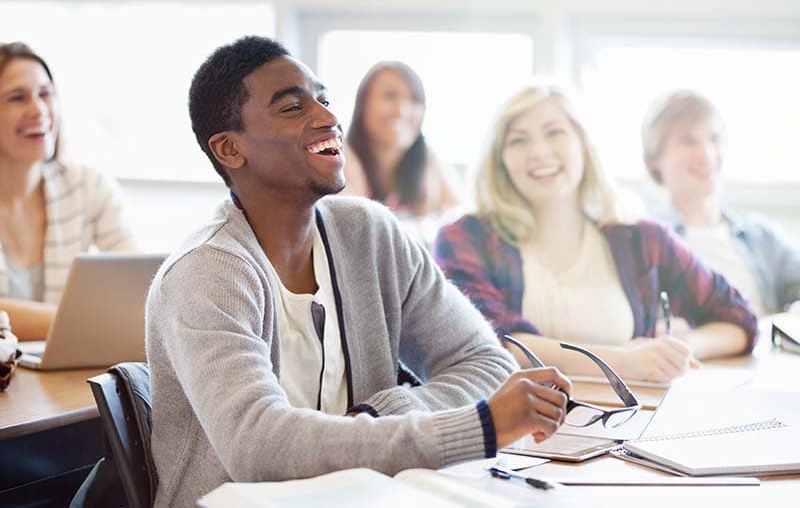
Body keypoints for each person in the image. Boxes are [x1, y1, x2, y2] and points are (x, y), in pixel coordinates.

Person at [146, 36, 571, 507]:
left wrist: (384, 412)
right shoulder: (207, 273)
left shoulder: (369, 234)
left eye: (324, 100)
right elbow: (258, 448)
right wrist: (479, 427)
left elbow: (486, 363)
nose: (328, 117)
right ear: (230, 149)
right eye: (292, 108)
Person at [434, 82, 758, 384]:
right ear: (500, 159)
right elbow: (493, 344)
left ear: (584, 145)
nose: (539, 151)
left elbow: (739, 319)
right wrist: (627, 362)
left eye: (555, 132)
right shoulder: (465, 238)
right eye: (519, 139)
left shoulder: (641, 239)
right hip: (516, 437)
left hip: (631, 425)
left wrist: (674, 349)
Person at [0, 42, 135, 341]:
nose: (38, 110)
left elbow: (140, 294)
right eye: (17, 98)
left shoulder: (88, 186)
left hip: (60, 380)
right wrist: (80, 322)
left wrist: (86, 323)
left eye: (45, 94)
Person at [641, 89, 800, 317]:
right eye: (688, 141)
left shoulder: (761, 236)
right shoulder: (646, 240)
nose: (706, 154)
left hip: (763, 350)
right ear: (655, 157)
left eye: (714, 139)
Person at [340, 61, 461, 247]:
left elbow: (461, 222)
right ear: (363, 104)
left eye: (414, 99)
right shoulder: (339, 163)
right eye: (389, 96)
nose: (402, 111)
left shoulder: (430, 161)